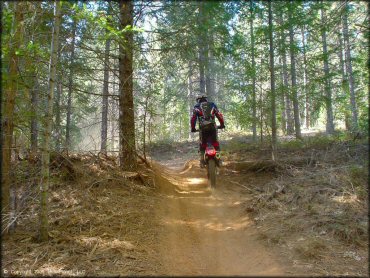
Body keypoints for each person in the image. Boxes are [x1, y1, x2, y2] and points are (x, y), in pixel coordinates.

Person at [190, 95, 225, 167]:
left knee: (203, 144)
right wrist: (222, 124)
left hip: (202, 129)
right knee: (215, 143)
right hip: (213, 128)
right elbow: (219, 115)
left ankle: (202, 161)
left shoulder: (196, 107)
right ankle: (219, 159)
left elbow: (193, 119)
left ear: (198, 100)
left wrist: (193, 128)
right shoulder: (212, 105)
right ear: (206, 99)